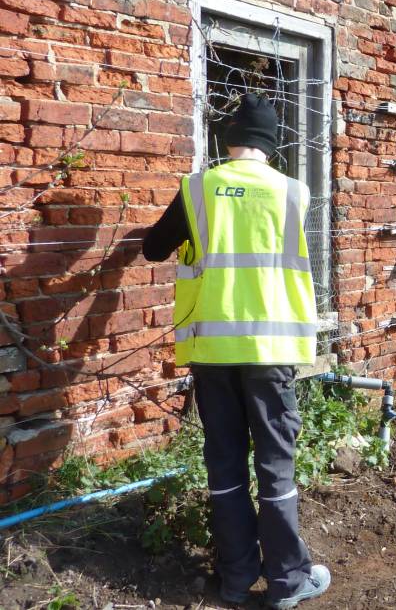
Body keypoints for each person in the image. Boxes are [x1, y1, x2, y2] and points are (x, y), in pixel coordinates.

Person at [142, 94, 330, 609]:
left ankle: (236, 578)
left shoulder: (197, 189)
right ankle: (288, 582)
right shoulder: (294, 191)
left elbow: (155, 248)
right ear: (272, 145)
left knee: (224, 462)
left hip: (211, 351)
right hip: (271, 351)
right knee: (275, 466)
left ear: (227, 141)